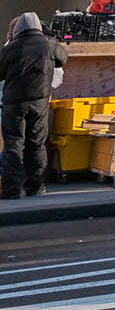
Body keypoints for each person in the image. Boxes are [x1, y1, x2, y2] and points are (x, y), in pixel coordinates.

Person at [0, 12, 68, 199]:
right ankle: (35, 187)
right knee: (36, 144)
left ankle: (11, 190)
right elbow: (63, 57)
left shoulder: (10, 49)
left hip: (14, 104)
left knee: (13, 144)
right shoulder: (49, 44)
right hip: (39, 102)